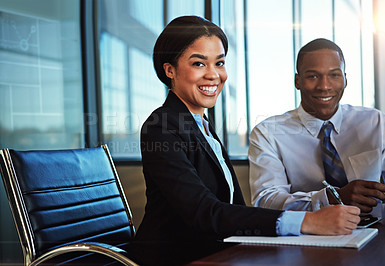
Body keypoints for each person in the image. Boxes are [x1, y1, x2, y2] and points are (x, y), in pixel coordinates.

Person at [135, 17, 360, 247]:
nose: (214, 75)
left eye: (219, 63)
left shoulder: (201, 124)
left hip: (218, 250)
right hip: (176, 256)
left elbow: (232, 206)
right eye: (199, 64)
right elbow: (203, 211)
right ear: (170, 70)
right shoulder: (160, 126)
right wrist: (306, 221)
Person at [249, 38, 385, 215]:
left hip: (376, 231)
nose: (324, 86)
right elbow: (265, 200)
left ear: (345, 79)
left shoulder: (375, 122)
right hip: (305, 237)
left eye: (334, 75)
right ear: (298, 81)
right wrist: (332, 198)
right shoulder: (268, 133)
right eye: (313, 76)